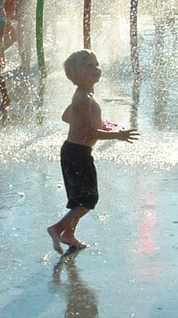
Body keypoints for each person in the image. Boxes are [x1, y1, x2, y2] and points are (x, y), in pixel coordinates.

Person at [47, 50, 138, 253]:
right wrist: (116, 134)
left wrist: (98, 123)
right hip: (77, 153)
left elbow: (66, 117)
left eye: (96, 64)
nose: (96, 68)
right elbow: (88, 133)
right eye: (89, 65)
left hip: (75, 152)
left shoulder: (84, 95)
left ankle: (69, 235)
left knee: (81, 199)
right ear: (76, 74)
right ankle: (57, 228)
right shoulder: (83, 98)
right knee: (88, 200)